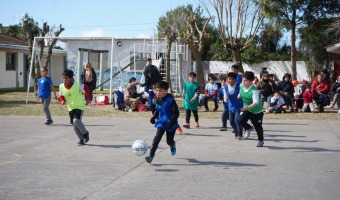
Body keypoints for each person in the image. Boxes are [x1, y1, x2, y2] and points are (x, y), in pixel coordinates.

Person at [145, 81, 179, 163]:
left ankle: (172, 144)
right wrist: (154, 117)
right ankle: (151, 156)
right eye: (157, 90)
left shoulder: (170, 100)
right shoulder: (156, 98)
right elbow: (158, 109)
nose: (158, 92)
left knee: (168, 141)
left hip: (171, 122)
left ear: (166, 90)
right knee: (157, 138)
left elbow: (176, 113)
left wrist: (170, 124)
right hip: (161, 121)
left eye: (160, 91)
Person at [59, 69, 91, 146]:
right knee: (74, 124)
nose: (64, 80)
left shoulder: (77, 85)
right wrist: (62, 100)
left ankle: (85, 133)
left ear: (71, 78)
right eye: (63, 78)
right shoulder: (61, 86)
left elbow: (86, 88)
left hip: (79, 106)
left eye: (66, 78)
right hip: (70, 107)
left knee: (76, 121)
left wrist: (88, 98)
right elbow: (61, 95)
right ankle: (81, 140)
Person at [237, 71, 264, 147]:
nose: (243, 82)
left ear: (251, 81)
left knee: (258, 127)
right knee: (239, 120)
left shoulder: (254, 91)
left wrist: (247, 108)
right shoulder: (241, 85)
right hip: (247, 109)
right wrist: (239, 96)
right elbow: (240, 92)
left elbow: (255, 103)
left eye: (245, 81)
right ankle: (248, 128)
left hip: (256, 111)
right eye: (243, 80)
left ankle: (261, 140)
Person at [224, 72, 244, 140]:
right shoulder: (226, 87)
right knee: (231, 122)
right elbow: (225, 98)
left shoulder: (240, 85)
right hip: (231, 106)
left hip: (239, 106)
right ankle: (236, 131)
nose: (231, 81)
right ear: (227, 80)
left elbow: (244, 91)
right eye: (229, 79)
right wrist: (226, 99)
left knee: (237, 120)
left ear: (235, 80)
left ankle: (240, 133)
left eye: (232, 79)